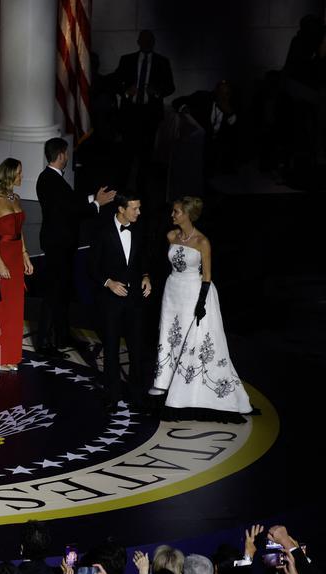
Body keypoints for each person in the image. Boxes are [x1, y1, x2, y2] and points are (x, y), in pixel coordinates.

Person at [150, 197, 252, 422]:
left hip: (192, 293)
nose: (173, 215)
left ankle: (186, 392)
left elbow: (207, 277)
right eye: (173, 212)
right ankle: (163, 382)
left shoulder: (202, 242)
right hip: (172, 292)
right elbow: (159, 264)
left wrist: (201, 303)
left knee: (191, 340)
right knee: (170, 336)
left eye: (176, 212)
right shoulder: (170, 236)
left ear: (187, 214)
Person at [36, 138, 115, 358]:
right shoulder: (50, 180)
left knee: (62, 292)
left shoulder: (51, 179)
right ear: (61, 154)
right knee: (54, 293)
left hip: (62, 245)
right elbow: (71, 210)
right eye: (66, 153)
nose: (68, 157)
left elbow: (70, 201)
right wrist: (97, 204)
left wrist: (93, 198)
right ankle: (43, 342)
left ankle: (62, 336)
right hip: (57, 245)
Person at [87, 192, 152, 413]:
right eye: (135, 208)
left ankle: (137, 395)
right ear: (121, 209)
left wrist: (146, 276)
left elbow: (143, 259)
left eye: (139, 207)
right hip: (111, 301)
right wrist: (108, 283)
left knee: (136, 348)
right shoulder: (102, 231)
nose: (139, 212)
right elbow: (92, 267)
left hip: (135, 299)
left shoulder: (140, 229)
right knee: (112, 348)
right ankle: (111, 395)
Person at [0, 159, 34, 372]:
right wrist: (0, 264)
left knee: (14, 309)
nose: (22, 177)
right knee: (0, 309)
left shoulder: (16, 198)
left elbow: (19, 233)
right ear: (10, 175)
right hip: (0, 257)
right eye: (20, 173)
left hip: (15, 256)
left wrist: (25, 256)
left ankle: (11, 355)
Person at [114, 30, 175, 191]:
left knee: (145, 155)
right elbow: (115, 82)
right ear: (139, 41)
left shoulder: (162, 62)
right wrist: (127, 92)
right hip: (130, 113)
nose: (146, 43)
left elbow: (170, 87)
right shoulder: (127, 60)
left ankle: (141, 191)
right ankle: (121, 189)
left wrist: (157, 91)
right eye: (144, 40)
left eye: (150, 40)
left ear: (153, 42)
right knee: (126, 153)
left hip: (150, 114)